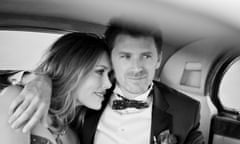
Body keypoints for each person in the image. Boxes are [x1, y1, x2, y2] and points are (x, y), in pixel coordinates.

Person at [7, 21, 204, 144]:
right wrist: (36, 78)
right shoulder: (86, 100)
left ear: (159, 59)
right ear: (113, 58)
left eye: (145, 56)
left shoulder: (186, 110)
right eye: (125, 56)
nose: (136, 68)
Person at [0, 32, 112, 144]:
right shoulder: (19, 98)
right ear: (72, 69)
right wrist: (36, 77)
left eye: (109, 75)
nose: (108, 84)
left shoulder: (73, 136)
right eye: (100, 71)